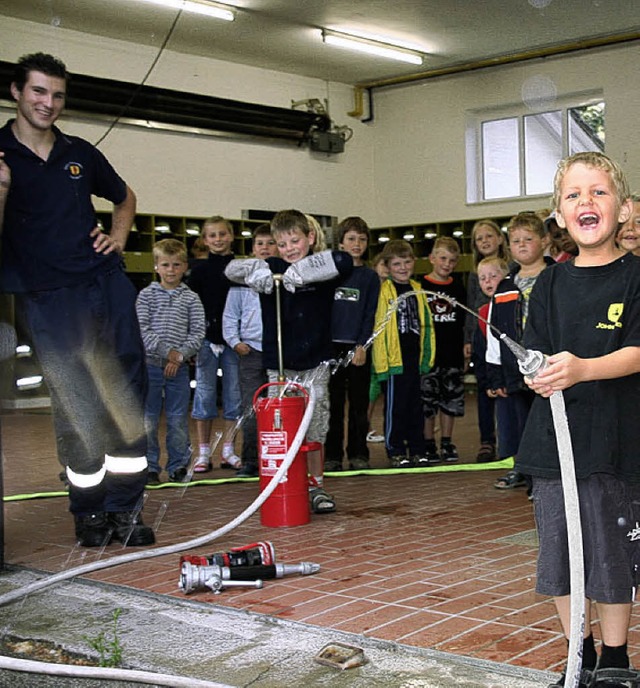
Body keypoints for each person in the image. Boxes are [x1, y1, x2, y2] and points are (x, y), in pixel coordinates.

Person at [0, 52, 155, 547]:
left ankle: (125, 508)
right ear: (16, 93)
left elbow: (125, 196)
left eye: (57, 94)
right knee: (79, 404)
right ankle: (89, 512)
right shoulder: (0, 155)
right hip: (47, 296)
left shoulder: (79, 152)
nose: (48, 103)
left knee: (127, 396)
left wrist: (118, 236)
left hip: (105, 284)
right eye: (39, 91)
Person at [516, 152, 640, 688]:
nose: (585, 202)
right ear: (560, 217)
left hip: (617, 442)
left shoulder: (636, 276)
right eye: (573, 195)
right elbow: (536, 353)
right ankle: (578, 654)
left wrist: (585, 367)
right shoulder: (548, 284)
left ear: (623, 208)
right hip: (554, 445)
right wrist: (536, 373)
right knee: (561, 556)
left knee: (613, 555)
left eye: (598, 192)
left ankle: (615, 657)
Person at [225, 209, 353, 513]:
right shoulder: (272, 267)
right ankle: (285, 482)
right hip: (280, 364)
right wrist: (256, 273)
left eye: (295, 241)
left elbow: (344, 261)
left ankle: (316, 486)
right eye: (282, 245)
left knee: (315, 426)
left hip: (316, 362)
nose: (289, 250)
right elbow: (229, 270)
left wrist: (304, 271)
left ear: (309, 238)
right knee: (281, 428)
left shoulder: (322, 269)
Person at [487, 212, 554, 491]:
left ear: (545, 241)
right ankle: (523, 469)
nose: (522, 245)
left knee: (548, 422)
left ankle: (548, 474)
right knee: (520, 422)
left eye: (529, 239)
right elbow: (493, 333)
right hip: (515, 370)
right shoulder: (504, 287)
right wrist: (495, 374)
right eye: (516, 241)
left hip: (550, 366)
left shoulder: (557, 277)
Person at [135, 239, 205, 484]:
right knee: (149, 418)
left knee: (176, 419)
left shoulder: (191, 298)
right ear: (156, 267)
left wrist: (180, 356)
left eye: (176, 265)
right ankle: (150, 466)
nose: (171, 270)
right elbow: (142, 330)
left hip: (180, 370)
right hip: (151, 366)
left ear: (185, 266)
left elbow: (197, 332)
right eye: (165, 264)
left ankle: (177, 465)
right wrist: (169, 354)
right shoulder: (146, 296)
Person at [371, 240, 435, 468]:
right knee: (395, 407)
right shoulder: (383, 290)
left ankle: (417, 449)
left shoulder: (417, 289)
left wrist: (427, 355)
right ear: (387, 266)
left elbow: (426, 324)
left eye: (407, 262)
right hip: (392, 359)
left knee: (415, 406)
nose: (403, 267)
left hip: (413, 356)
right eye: (397, 263)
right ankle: (395, 449)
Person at [222, 224, 278, 478]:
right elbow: (230, 315)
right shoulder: (240, 282)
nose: (265, 248)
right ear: (253, 249)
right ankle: (251, 460)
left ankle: (278, 455)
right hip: (251, 351)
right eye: (260, 244)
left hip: (278, 352)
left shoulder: (284, 277)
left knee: (279, 406)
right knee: (252, 406)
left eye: (270, 243)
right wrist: (235, 342)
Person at [324, 217, 380, 471]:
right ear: (341, 242)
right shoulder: (330, 274)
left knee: (359, 404)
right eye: (351, 239)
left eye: (362, 239)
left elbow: (370, 314)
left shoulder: (369, 277)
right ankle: (332, 455)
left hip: (357, 348)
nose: (357, 244)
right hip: (331, 348)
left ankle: (359, 453)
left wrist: (362, 345)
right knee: (333, 404)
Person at [187, 216, 242, 472]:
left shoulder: (240, 268)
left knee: (234, 395)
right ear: (205, 239)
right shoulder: (198, 270)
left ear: (231, 236)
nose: (218, 239)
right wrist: (192, 340)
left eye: (223, 234)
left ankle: (229, 449)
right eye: (212, 235)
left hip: (234, 341)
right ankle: (203, 452)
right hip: (205, 341)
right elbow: (190, 308)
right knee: (204, 395)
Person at [463, 220, 510, 463]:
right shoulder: (474, 275)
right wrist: (468, 339)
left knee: (506, 388)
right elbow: (471, 306)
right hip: (480, 333)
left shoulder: (511, 269)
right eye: (479, 238)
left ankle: (509, 440)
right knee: (484, 389)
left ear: (500, 239)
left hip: (503, 335)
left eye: (489, 236)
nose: (485, 242)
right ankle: (486, 441)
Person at [421, 236, 467, 464]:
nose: (447, 264)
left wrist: (465, 350)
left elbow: (463, 321)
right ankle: (428, 442)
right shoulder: (420, 287)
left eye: (452, 260)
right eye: (442, 258)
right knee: (427, 401)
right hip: (428, 356)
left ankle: (447, 441)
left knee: (450, 400)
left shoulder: (458, 287)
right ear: (432, 259)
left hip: (452, 354)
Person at [474, 256, 510, 462]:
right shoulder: (482, 312)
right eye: (482, 278)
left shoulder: (513, 306)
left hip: (512, 375)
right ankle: (490, 443)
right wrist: (488, 380)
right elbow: (481, 351)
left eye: (493, 276)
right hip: (492, 374)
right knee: (490, 407)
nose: (487, 282)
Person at [366, 252, 389, 444]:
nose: (386, 269)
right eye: (383, 264)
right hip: (372, 342)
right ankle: (366, 425)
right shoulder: (370, 287)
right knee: (372, 387)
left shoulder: (392, 289)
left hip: (388, 344)